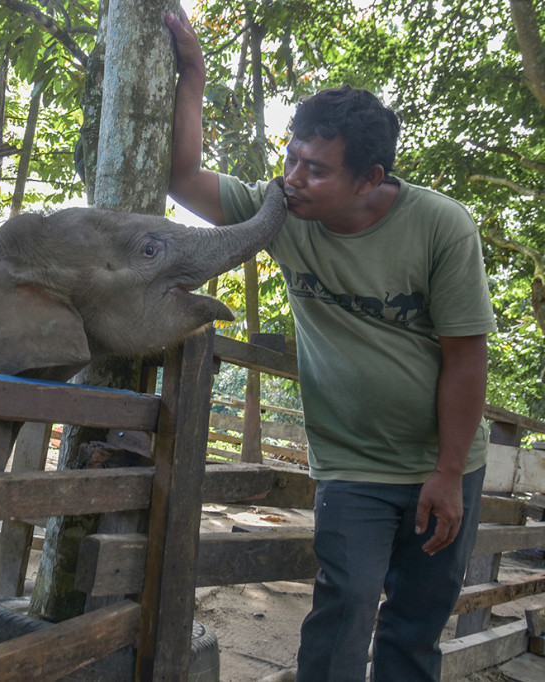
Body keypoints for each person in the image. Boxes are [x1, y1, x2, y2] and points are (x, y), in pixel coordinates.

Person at [165, 10, 496, 682]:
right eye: (290, 156)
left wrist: (447, 474)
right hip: (352, 465)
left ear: (369, 178)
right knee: (343, 605)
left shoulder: (441, 227)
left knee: (416, 623)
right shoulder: (281, 214)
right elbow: (183, 179)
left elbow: (466, 356)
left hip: (445, 462)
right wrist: (193, 76)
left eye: (314, 169)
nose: (292, 176)